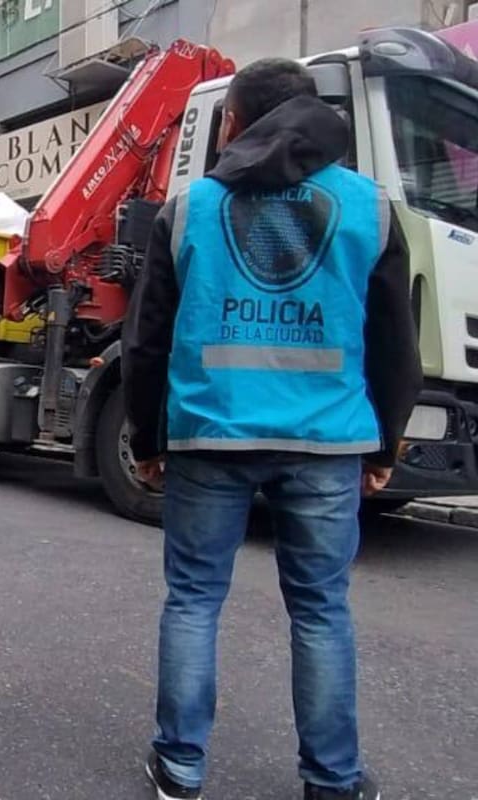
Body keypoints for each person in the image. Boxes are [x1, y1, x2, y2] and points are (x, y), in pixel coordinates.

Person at [122, 58, 421, 800]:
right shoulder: (370, 208)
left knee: (193, 600)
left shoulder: (188, 209)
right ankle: (333, 780)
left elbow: (147, 339)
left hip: (211, 436)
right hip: (327, 441)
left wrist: (148, 437)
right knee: (321, 611)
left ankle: (181, 769)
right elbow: (394, 342)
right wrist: (383, 441)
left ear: (233, 121)